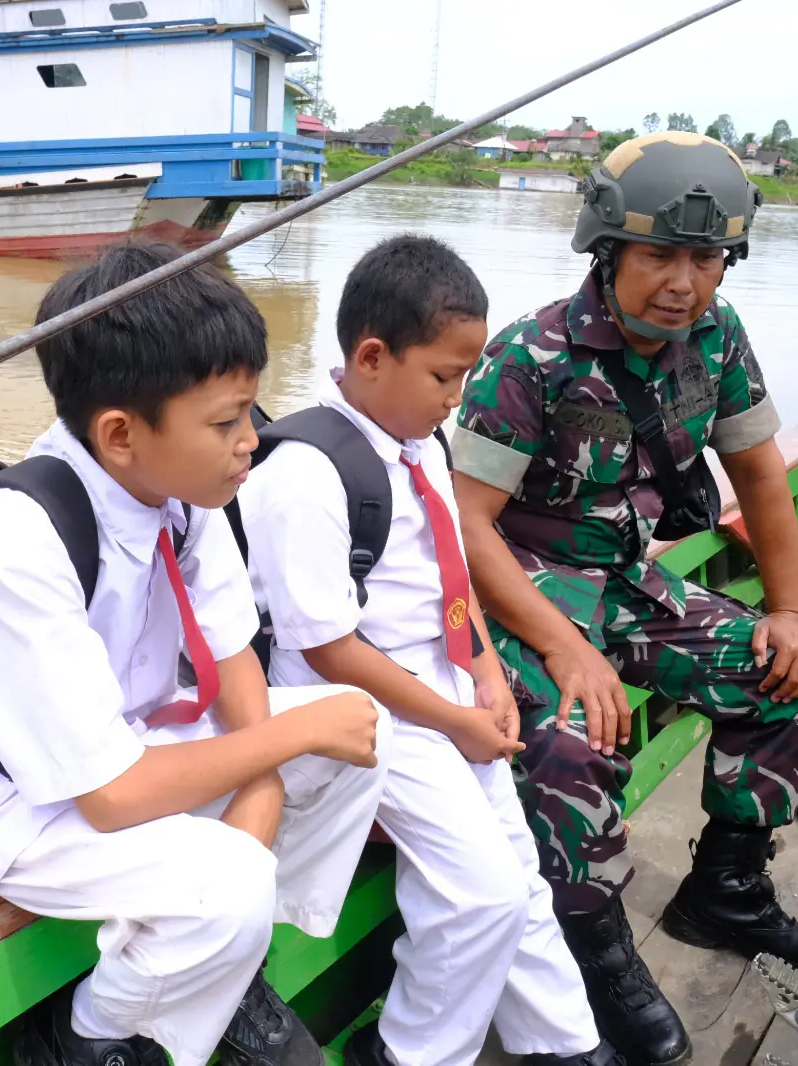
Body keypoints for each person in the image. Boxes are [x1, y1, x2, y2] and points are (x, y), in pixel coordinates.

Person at [0, 243, 392, 1066]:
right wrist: (277, 755)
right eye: (226, 422)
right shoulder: (16, 543)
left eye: (250, 414)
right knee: (231, 875)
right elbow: (112, 798)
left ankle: (226, 970)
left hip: (127, 739)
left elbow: (230, 649)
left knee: (362, 733)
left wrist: (263, 771)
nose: (251, 442)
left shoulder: (179, 490)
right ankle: (89, 1035)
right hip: (8, 798)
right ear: (121, 434)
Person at [451, 133, 798, 1066]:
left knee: (785, 674)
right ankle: (598, 956)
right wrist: (564, 647)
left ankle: (725, 892)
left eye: (705, 259)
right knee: (567, 743)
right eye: (659, 255)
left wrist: (788, 610)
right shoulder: (532, 356)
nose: (682, 283)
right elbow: (466, 526)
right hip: (527, 586)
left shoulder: (719, 336)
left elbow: (760, 471)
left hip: (629, 578)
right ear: (608, 251)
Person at [241, 235, 615, 1066]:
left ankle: (564, 1042)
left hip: (445, 691)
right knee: (482, 896)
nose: (458, 396)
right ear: (373, 357)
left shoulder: (421, 445)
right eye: (445, 376)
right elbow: (329, 649)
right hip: (371, 714)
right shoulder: (304, 475)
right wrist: (452, 720)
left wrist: (486, 671)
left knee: (517, 872)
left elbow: (450, 578)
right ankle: (409, 1053)